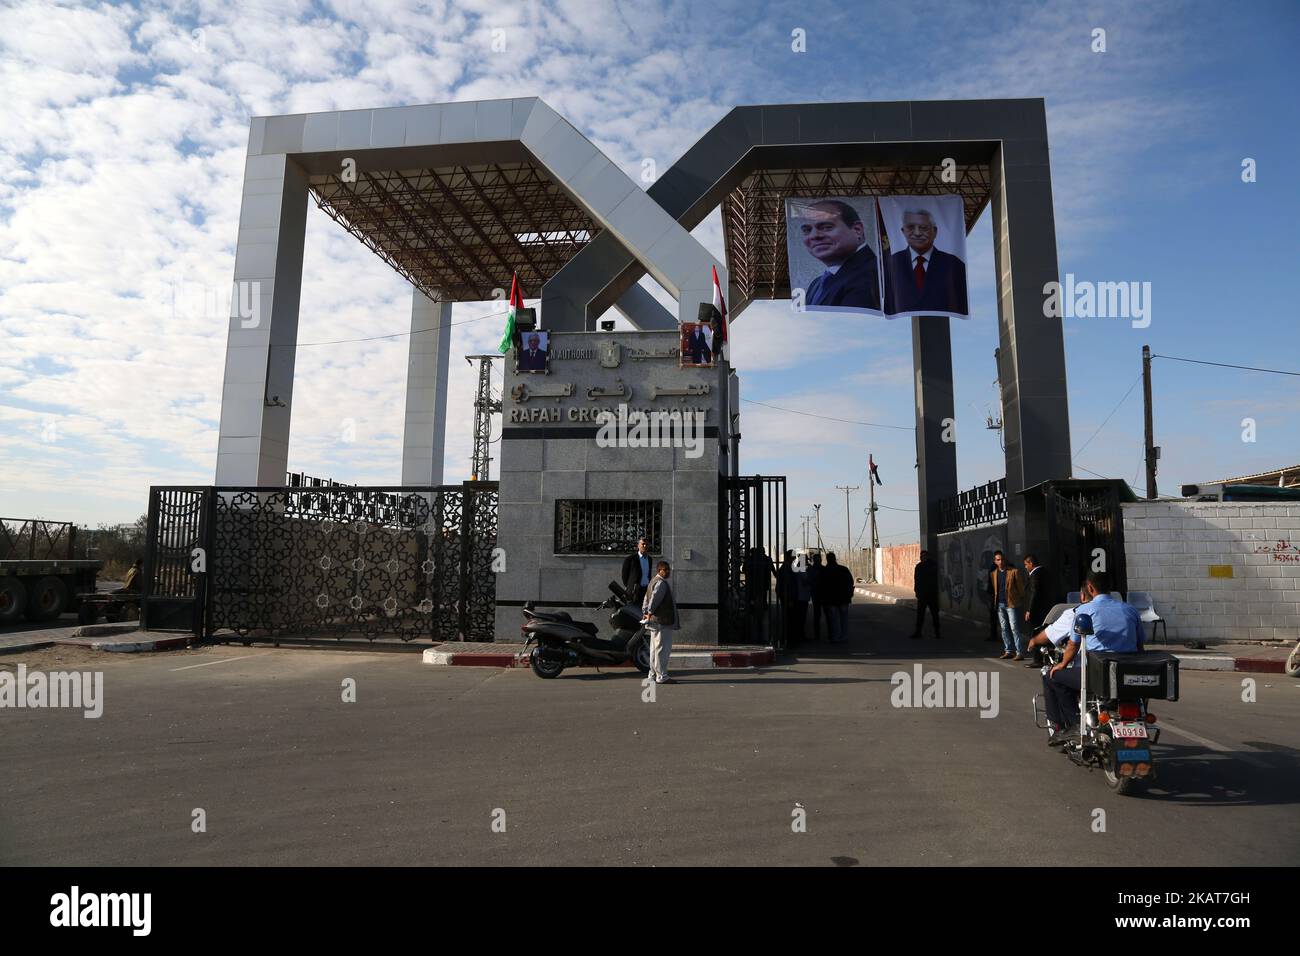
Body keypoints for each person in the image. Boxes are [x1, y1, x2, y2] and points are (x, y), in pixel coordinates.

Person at [1042, 571, 1141, 746]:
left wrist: (1062, 664)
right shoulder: (1130, 610)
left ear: (1090, 588)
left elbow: (1072, 645)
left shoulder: (1084, 611)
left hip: (1095, 675)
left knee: (1052, 677)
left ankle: (1071, 726)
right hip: (1128, 673)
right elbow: (1140, 643)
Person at [797, 199, 882, 311]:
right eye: (807, 230)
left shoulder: (874, 273)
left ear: (857, 230)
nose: (814, 236)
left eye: (826, 227)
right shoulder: (816, 284)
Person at [883, 207, 969, 316]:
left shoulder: (954, 265)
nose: (917, 233)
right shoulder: (891, 264)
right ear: (903, 231)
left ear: (935, 231)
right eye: (910, 227)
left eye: (923, 228)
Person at [641, 561, 678, 684]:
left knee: (654, 649)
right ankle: (662, 676)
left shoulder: (653, 581)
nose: (667, 572)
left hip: (655, 621)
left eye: (668, 569)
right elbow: (654, 600)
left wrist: (645, 612)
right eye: (665, 569)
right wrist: (649, 612)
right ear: (659, 570)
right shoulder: (661, 583)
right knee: (662, 649)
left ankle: (652, 674)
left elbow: (646, 599)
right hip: (662, 621)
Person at [990, 550, 1026, 660]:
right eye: (998, 560)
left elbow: (1021, 588)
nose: (1000, 561)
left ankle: (1019, 652)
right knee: (1004, 628)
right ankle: (1008, 650)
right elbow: (995, 589)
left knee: (1014, 627)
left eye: (1002, 559)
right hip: (1000, 604)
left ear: (1005, 560)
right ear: (995, 561)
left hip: (1011, 604)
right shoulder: (993, 574)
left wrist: (1021, 600)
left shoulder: (1013, 571)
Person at [910, 549, 941, 639]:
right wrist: (917, 591)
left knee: (934, 614)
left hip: (931, 594)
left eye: (923, 556)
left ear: (927, 556)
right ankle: (918, 632)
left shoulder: (932, 565)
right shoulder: (919, 566)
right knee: (920, 615)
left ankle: (937, 632)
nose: (922, 557)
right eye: (921, 556)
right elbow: (916, 580)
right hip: (923, 595)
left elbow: (935, 579)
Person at [824, 552, 854, 644]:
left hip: (832, 600)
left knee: (834, 620)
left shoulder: (826, 571)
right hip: (844, 599)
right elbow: (851, 582)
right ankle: (844, 636)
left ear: (828, 559)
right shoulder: (843, 569)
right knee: (843, 619)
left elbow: (822, 586)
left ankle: (835, 637)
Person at [1022, 553, 1052, 634]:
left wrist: (1029, 610)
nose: (1025, 567)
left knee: (1035, 631)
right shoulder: (1044, 571)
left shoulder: (1035, 575)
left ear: (1031, 563)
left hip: (1036, 610)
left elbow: (1033, 592)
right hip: (1045, 608)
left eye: (1026, 564)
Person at [620, 537, 653, 605]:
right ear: (638, 545)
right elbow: (624, 576)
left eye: (647, 544)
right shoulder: (630, 559)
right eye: (643, 544)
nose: (645, 546)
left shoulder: (649, 559)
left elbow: (648, 574)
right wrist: (630, 586)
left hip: (646, 590)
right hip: (635, 590)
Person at [809, 552, 827, 641]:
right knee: (821, 614)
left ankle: (818, 634)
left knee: (819, 614)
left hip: (820, 594)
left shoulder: (813, 569)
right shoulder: (821, 569)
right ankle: (819, 634)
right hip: (818, 594)